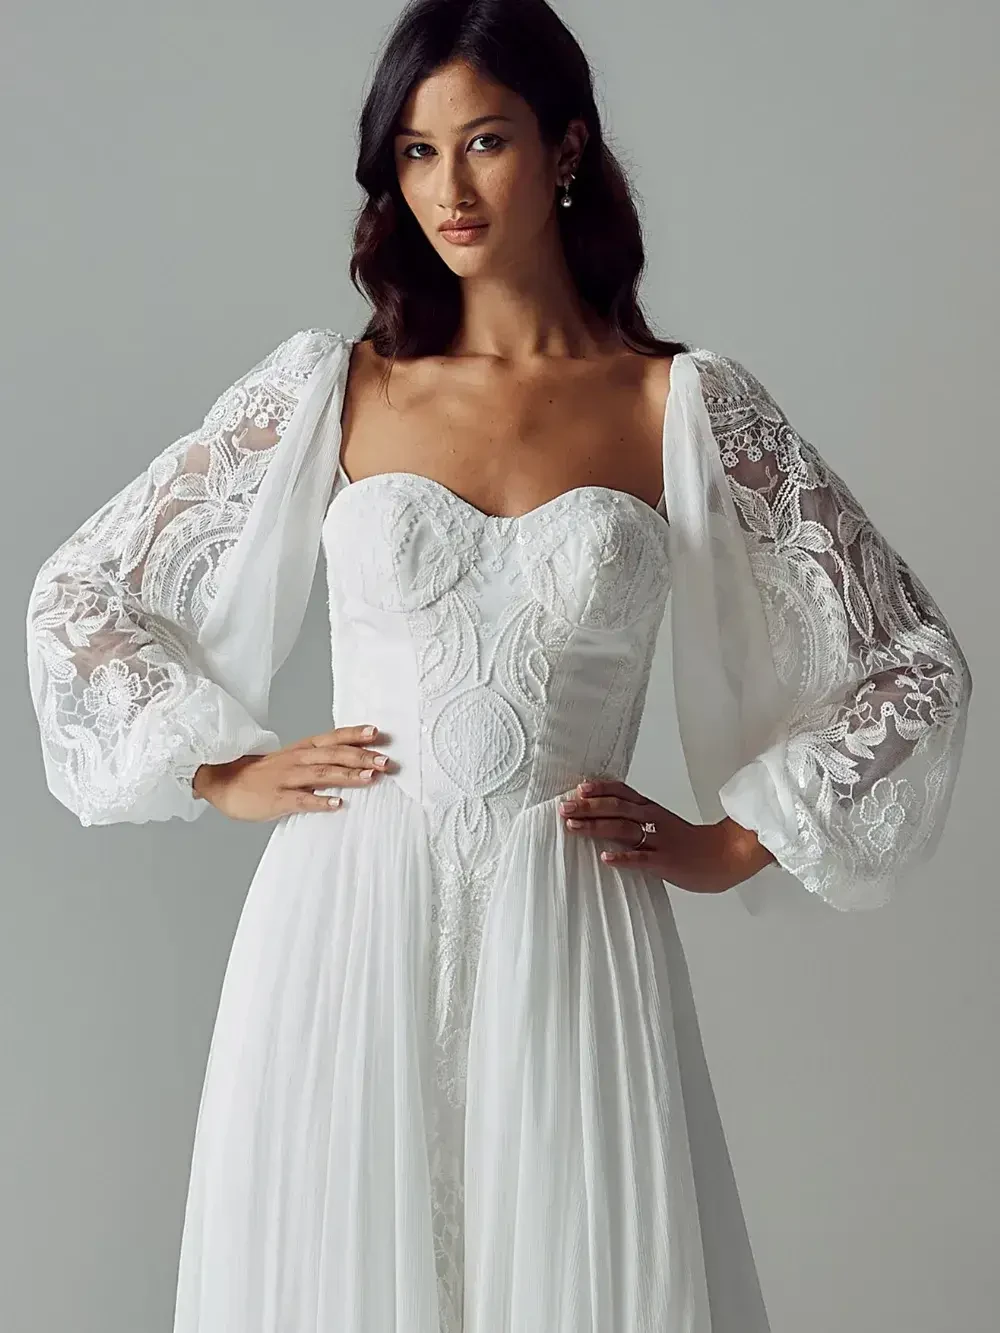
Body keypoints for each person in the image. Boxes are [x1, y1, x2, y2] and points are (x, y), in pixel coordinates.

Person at [24, 1, 973, 1330]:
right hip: (344, 920)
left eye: (484, 142)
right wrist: (223, 770)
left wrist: (738, 837)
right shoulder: (337, 390)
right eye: (414, 153)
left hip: (573, 925)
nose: (448, 189)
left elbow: (909, 663)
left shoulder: (680, 405)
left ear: (566, 148)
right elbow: (84, 593)